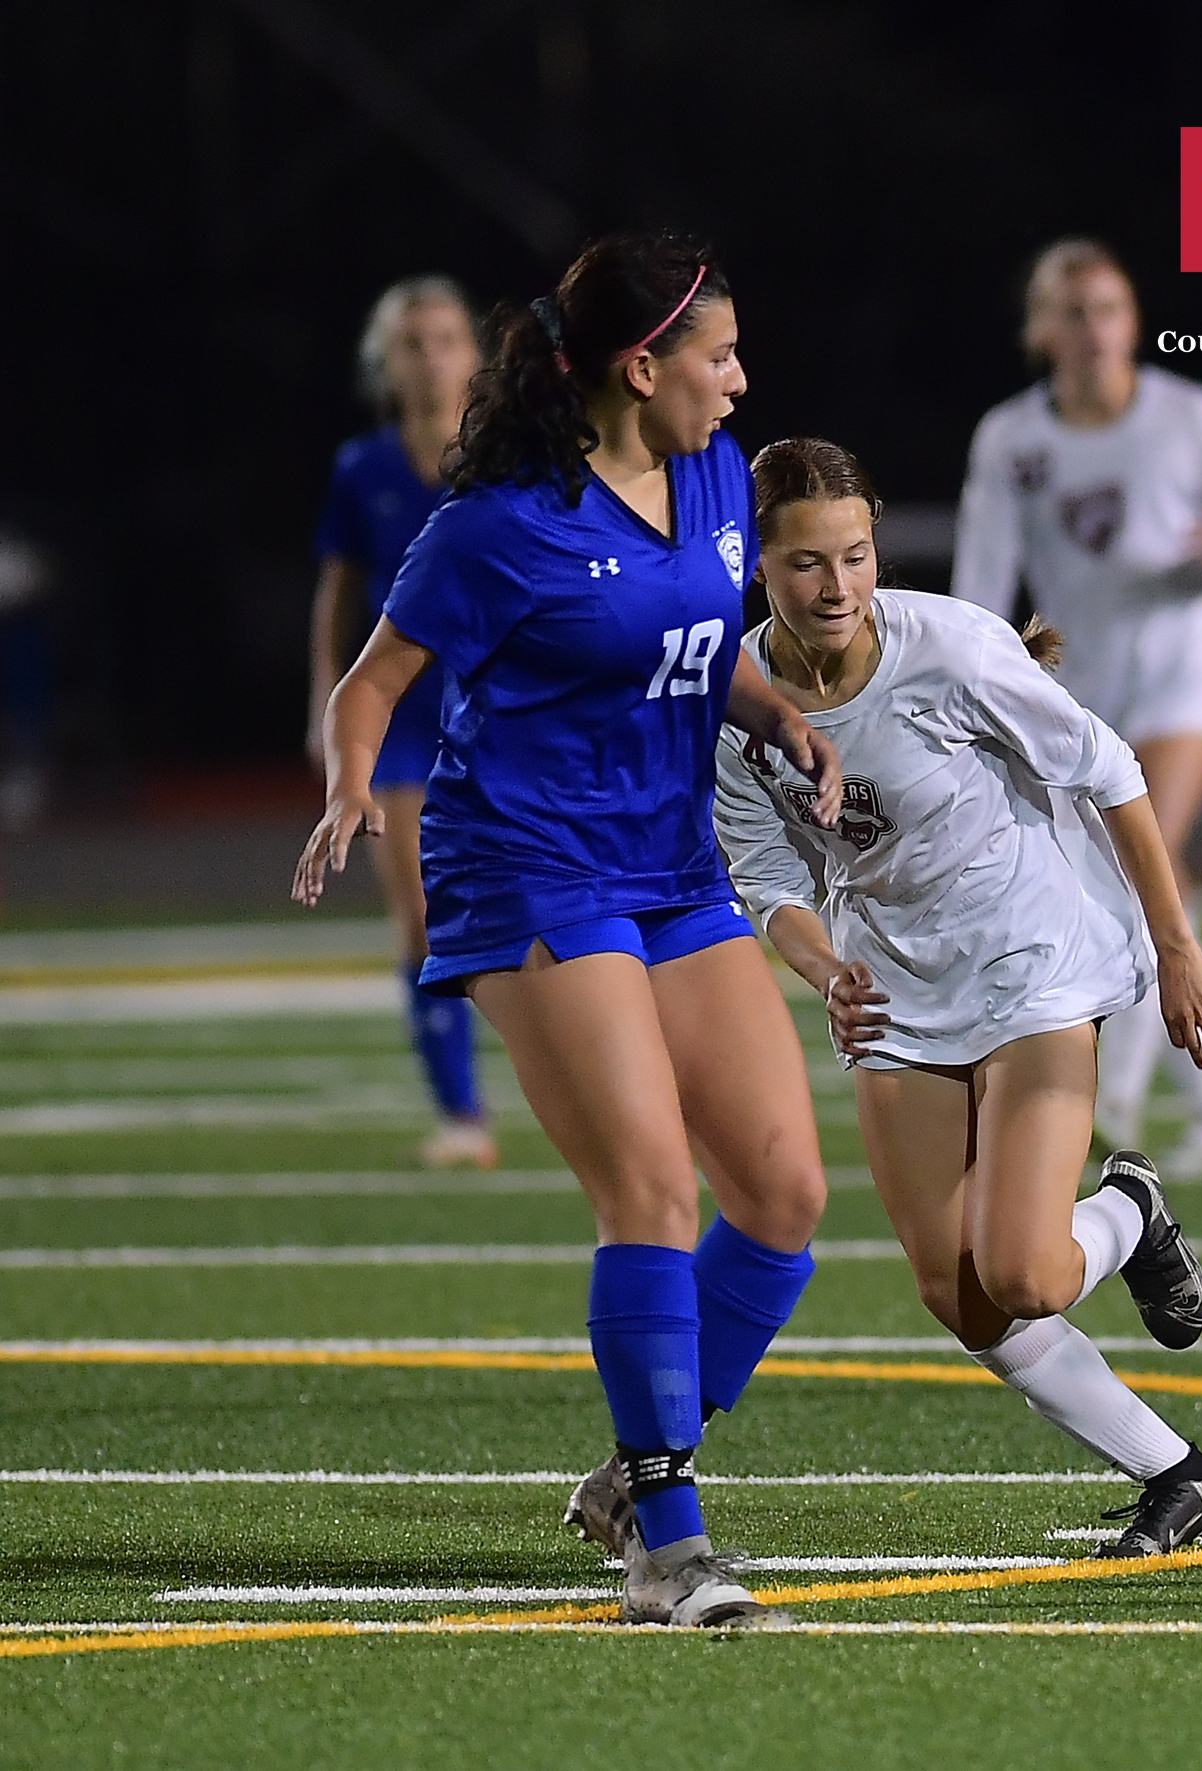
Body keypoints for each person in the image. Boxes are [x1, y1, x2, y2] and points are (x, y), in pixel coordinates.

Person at [293, 234, 843, 1628]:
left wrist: (775, 717)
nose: (739, 376)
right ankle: (669, 1548)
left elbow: (700, 653)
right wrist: (357, 784)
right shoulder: (500, 521)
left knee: (781, 1196)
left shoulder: (721, 471)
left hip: (667, 861)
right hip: (531, 867)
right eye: (716, 354)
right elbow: (374, 682)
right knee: (650, 1188)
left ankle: (636, 1459)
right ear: (638, 366)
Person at [715, 437, 1202, 1554]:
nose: (837, 586)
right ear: (758, 566)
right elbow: (762, 874)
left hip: (1031, 959)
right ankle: (1176, 1473)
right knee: (963, 1298)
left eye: (855, 555)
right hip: (894, 985)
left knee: (1026, 1268)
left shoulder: (946, 648)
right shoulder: (733, 699)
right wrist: (822, 971)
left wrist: (1176, 941)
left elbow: (1108, 768)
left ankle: (1129, 1211)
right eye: (807, 563)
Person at [953, 239, 1202, 1179]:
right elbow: (984, 580)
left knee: (1148, 867)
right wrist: (980, 681)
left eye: (1107, 308)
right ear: (1041, 329)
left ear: (1131, 322)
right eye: (1073, 310)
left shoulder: (1188, 415)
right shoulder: (1012, 439)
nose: (1092, 328)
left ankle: (1120, 1100)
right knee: (1134, 882)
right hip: (1080, 697)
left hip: (1186, 679)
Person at [307, 278, 495, 1167]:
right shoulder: (363, 468)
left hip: (498, 704)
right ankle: (463, 1114)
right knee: (420, 918)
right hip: (404, 712)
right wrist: (326, 698)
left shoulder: (507, 456)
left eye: (447, 338)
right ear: (387, 362)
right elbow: (339, 589)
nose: (432, 358)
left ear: (477, 354)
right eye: (414, 342)